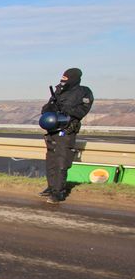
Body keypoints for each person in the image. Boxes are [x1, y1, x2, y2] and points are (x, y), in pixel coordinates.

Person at [40, 68, 94, 204]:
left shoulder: (84, 92)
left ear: (74, 78)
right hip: (53, 130)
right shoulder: (58, 90)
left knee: (61, 161)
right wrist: (49, 108)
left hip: (66, 131)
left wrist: (66, 110)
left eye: (66, 79)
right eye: (62, 79)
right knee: (51, 160)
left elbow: (82, 110)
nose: (63, 81)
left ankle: (58, 192)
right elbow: (47, 107)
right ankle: (51, 187)